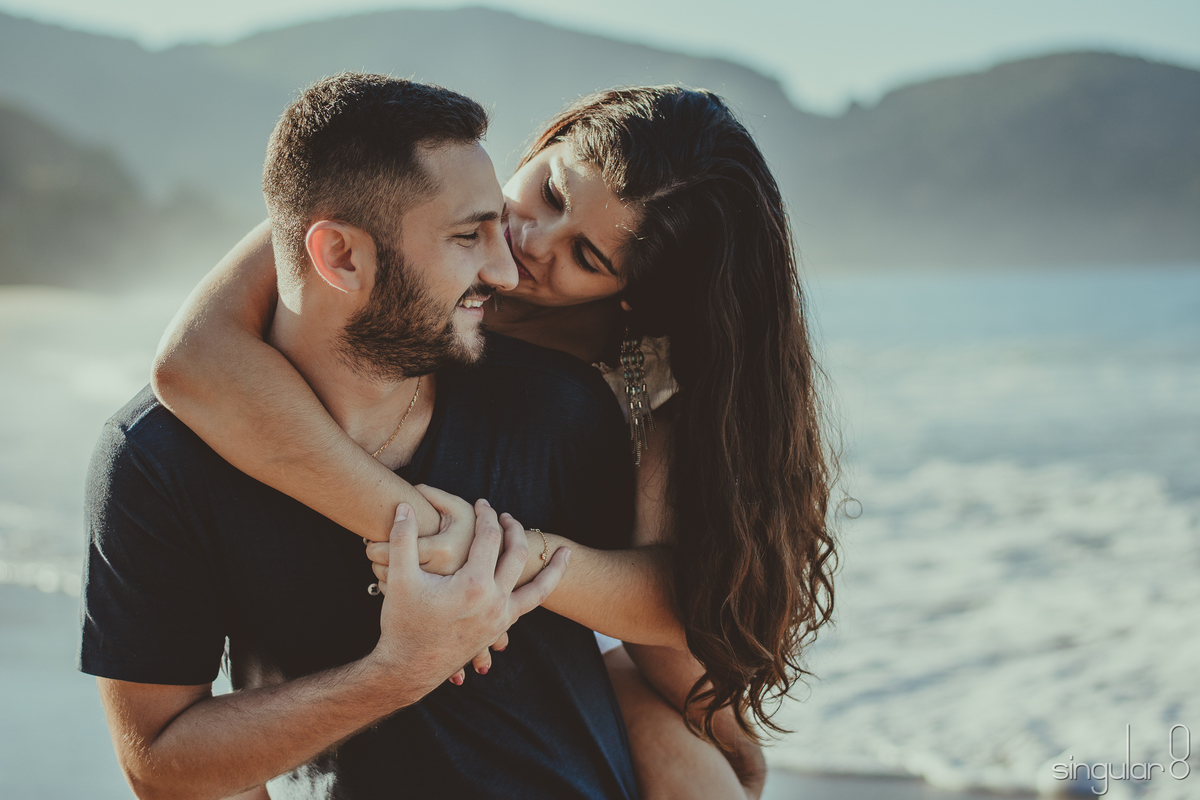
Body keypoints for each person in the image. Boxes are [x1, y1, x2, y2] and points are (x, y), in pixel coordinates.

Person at [154, 84, 838, 799]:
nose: (530, 239)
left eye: (587, 257)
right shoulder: (402, 208)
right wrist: (431, 533)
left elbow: (678, 610)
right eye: (550, 191)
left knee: (694, 762)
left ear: (635, 295)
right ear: (549, 139)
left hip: (575, 643)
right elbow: (194, 361)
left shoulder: (651, 371)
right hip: (395, 633)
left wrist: (508, 559)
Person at [81, 74, 657, 800]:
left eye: (494, 225)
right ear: (341, 258)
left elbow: (668, 621)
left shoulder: (557, 407)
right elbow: (159, 766)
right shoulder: (158, 460)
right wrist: (401, 671)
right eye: (466, 235)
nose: (506, 267)